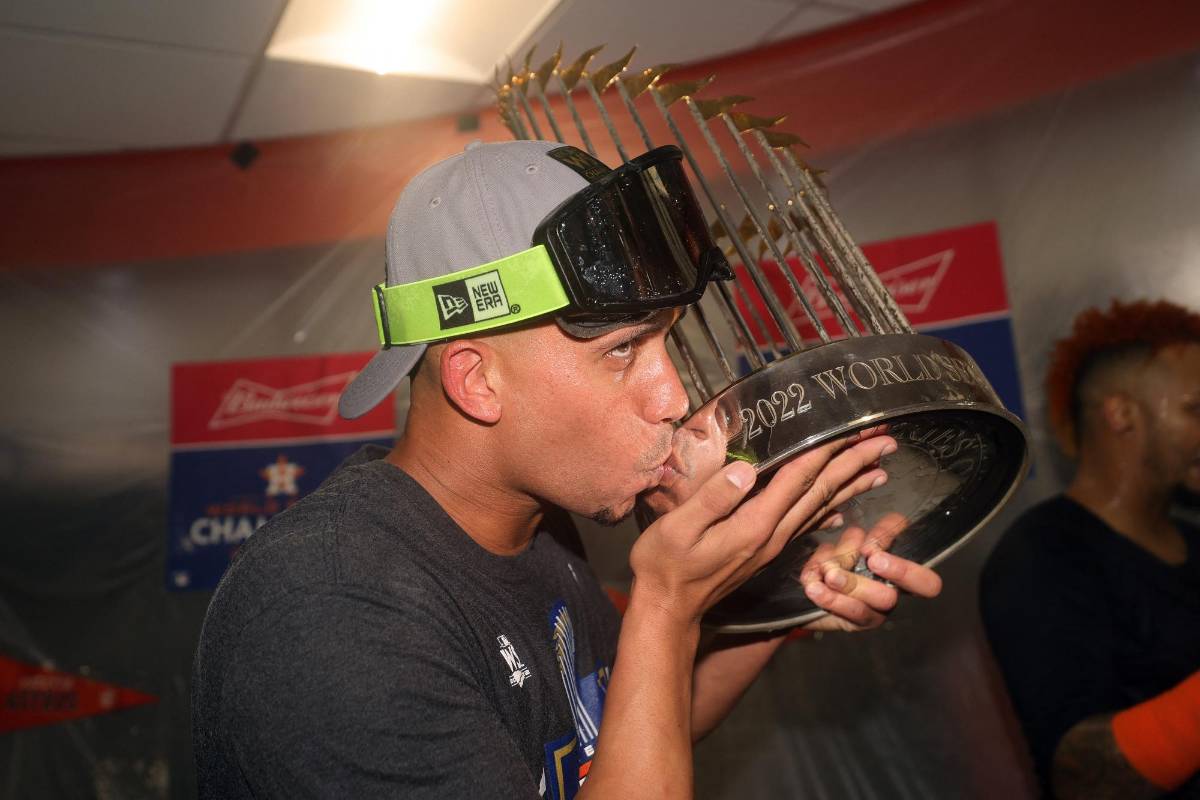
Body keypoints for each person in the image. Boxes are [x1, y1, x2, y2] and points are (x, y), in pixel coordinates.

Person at [192, 140, 941, 799]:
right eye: (623, 350)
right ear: (476, 381)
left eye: (666, 344)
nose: (673, 395)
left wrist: (771, 581)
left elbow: (630, 741)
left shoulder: (538, 532)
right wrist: (666, 604)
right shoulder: (328, 610)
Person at [980, 299, 1200, 798]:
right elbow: (1085, 778)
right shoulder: (1040, 557)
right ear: (1122, 414)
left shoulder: (1193, 537)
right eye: (1197, 408)